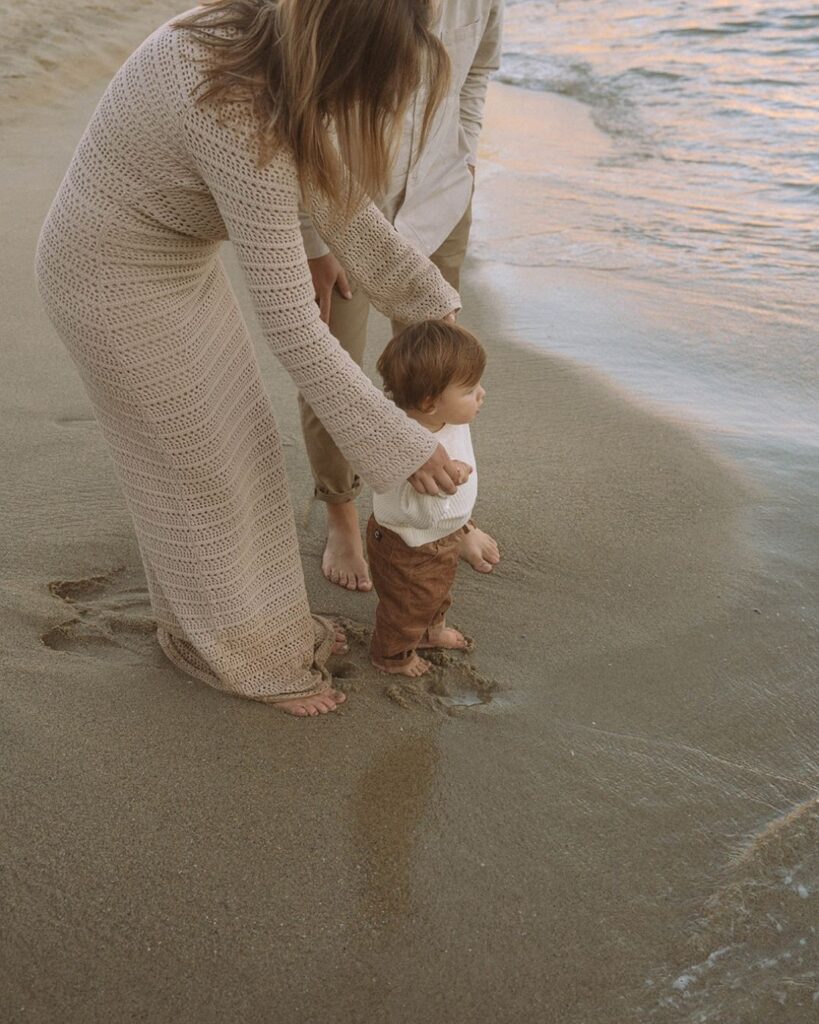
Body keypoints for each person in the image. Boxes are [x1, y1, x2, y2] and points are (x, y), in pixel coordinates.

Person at [34, 0, 469, 717]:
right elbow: (294, 329)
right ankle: (241, 661)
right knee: (204, 473)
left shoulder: (266, 43)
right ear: (339, 56)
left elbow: (343, 207)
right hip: (109, 280)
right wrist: (402, 446)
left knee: (245, 449)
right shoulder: (239, 111)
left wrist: (429, 301)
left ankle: (261, 629)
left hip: (170, 262)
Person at [298, 0, 504, 592]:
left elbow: (480, 68)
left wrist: (462, 151)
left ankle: (441, 513)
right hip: (342, 205)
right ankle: (341, 512)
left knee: (442, 370)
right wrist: (317, 235)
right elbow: (306, 100)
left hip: (440, 197)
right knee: (335, 358)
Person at [367, 320, 486, 677]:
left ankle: (431, 631)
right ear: (429, 403)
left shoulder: (449, 419)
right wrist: (453, 481)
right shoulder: (409, 448)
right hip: (408, 544)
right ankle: (392, 656)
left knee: (436, 592)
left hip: (443, 535)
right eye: (470, 390)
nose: (482, 394)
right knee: (406, 605)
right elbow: (417, 514)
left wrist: (462, 528)